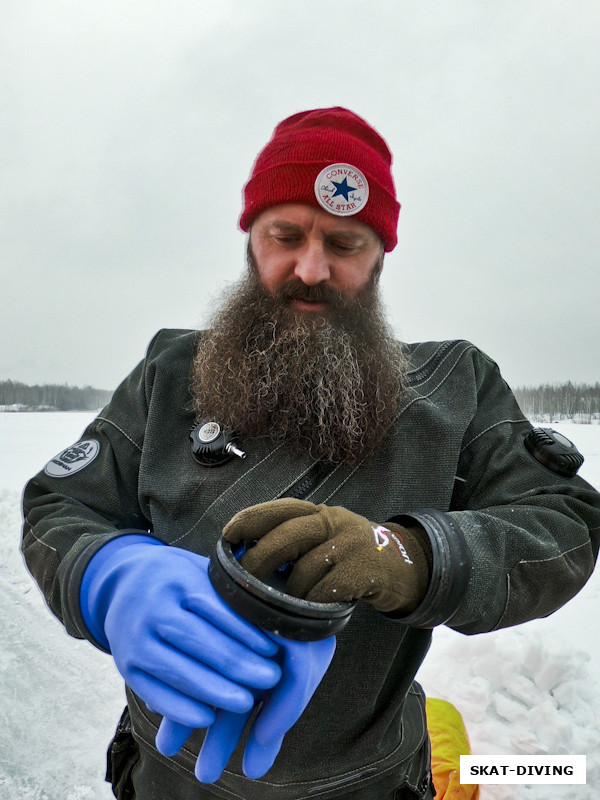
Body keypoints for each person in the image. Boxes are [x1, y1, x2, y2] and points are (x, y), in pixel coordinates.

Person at [21, 107, 600, 800]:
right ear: (251, 241)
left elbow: (562, 523)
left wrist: (409, 555)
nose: (312, 267)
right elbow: (61, 504)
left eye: (345, 243)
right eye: (286, 235)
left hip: (369, 782)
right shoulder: (171, 372)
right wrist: (104, 573)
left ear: (380, 255)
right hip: (166, 775)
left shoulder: (455, 387)